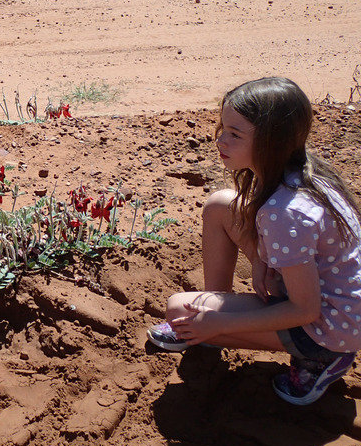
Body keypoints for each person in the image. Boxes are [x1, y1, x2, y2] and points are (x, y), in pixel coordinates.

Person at [147, 77, 361, 405]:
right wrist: (260, 258)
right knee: (220, 205)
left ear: (271, 141)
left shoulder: (285, 213)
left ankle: (321, 360)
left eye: (235, 134)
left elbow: (305, 309)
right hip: (334, 299)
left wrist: (221, 322)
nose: (220, 140)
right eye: (223, 128)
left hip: (331, 327)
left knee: (178, 309)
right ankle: (209, 318)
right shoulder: (303, 171)